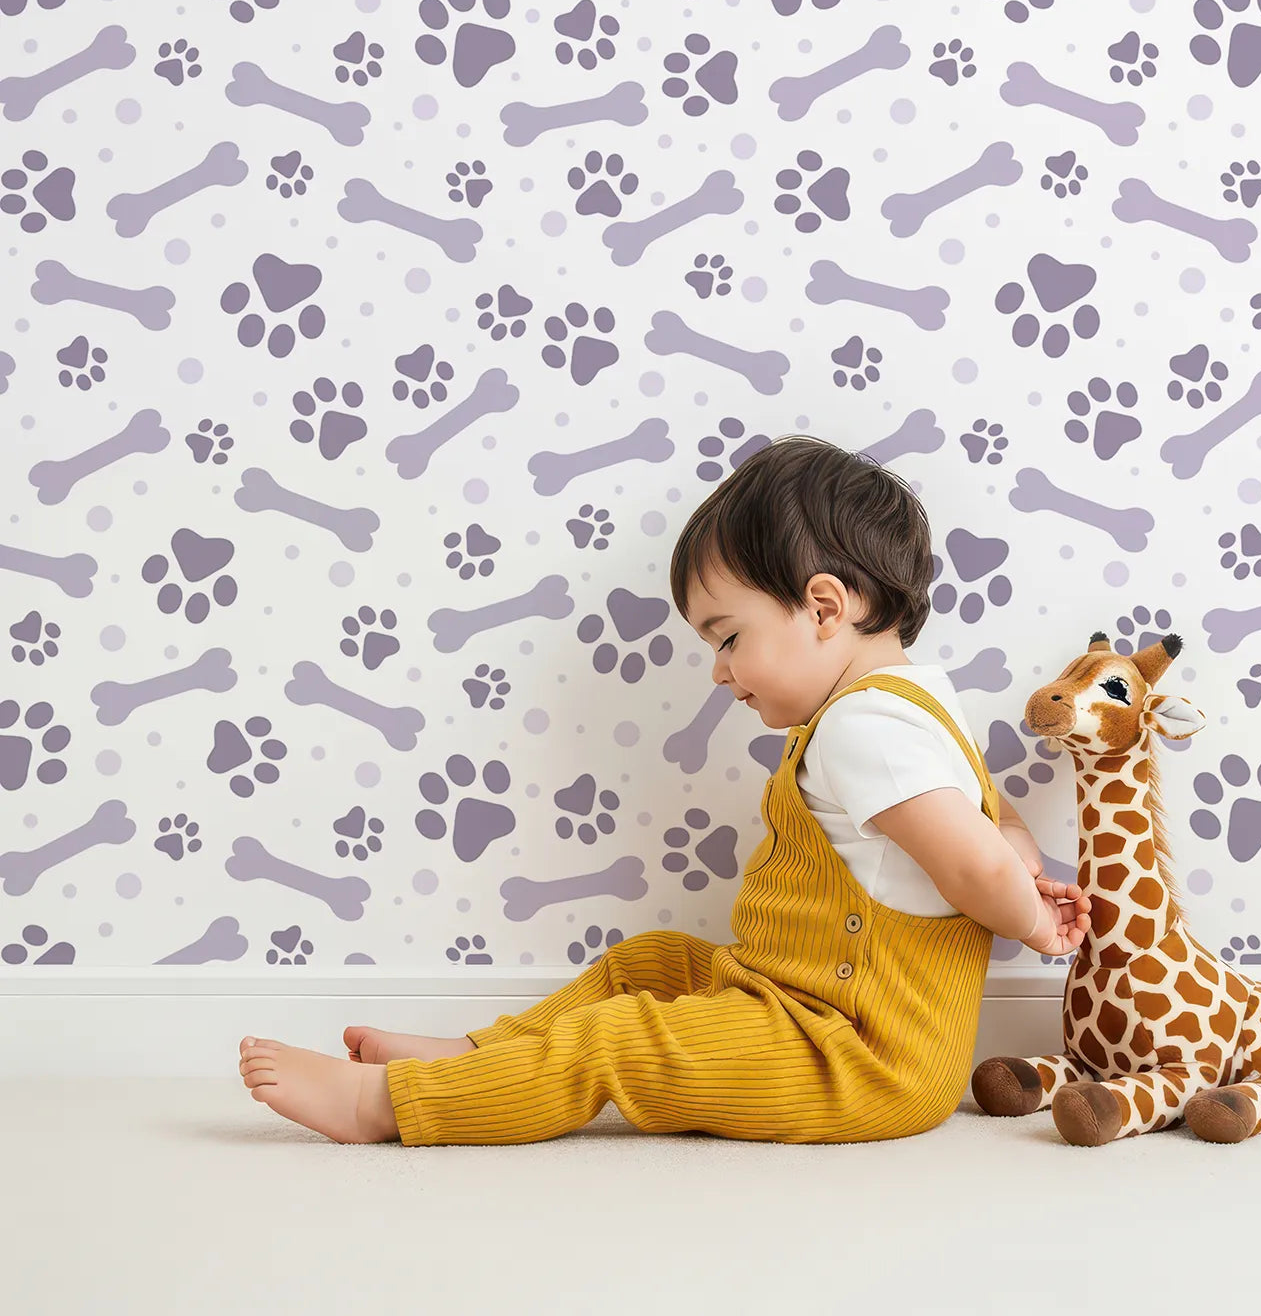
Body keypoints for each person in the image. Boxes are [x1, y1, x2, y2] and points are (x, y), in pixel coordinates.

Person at [238, 434, 1091, 1145]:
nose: (718, 673)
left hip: (855, 1058)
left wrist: (1030, 917)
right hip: (806, 1010)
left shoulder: (862, 728)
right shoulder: (921, 706)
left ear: (825, 608)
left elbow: (974, 867)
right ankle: (474, 1057)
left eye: (728, 638)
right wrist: (1026, 861)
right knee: (648, 964)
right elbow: (993, 819)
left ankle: (389, 1106)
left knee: (622, 1040)